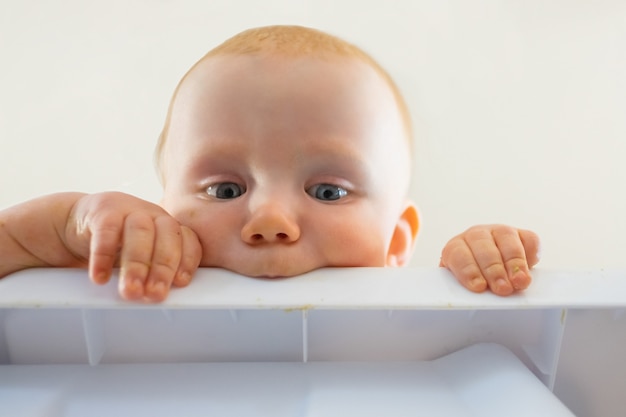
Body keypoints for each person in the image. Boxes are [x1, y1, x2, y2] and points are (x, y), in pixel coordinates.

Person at [0, 25, 540, 302]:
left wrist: (477, 280)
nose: (270, 221)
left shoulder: (407, 329)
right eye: (223, 190)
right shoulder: (132, 297)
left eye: (328, 191)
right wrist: (68, 225)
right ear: (163, 209)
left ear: (397, 243)